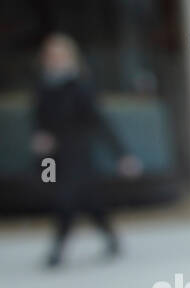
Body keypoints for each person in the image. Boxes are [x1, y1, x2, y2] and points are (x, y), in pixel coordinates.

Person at [31, 33, 141, 267]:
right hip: (52, 159)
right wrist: (41, 138)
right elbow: (39, 121)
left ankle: (57, 251)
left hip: (78, 154)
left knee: (68, 199)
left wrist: (122, 155)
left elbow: (99, 122)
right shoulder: (43, 87)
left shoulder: (81, 86)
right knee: (84, 201)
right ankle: (109, 237)